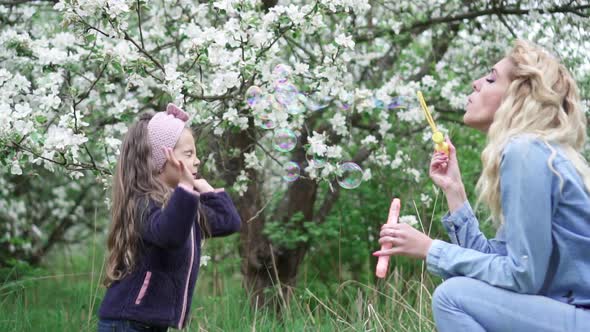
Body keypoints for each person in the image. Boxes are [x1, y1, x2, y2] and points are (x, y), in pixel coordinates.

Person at [373, 40, 590, 331]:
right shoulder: (534, 154)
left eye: (490, 79)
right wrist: (454, 190)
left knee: (453, 297)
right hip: (566, 315)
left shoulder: (526, 152)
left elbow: (523, 277)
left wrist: (430, 248)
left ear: (519, 95)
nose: (476, 84)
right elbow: (496, 264)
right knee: (460, 291)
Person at [97, 104, 241, 331]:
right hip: (127, 321)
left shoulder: (182, 207)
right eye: (189, 154)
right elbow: (169, 235)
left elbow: (229, 222)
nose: (197, 161)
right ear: (162, 158)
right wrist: (185, 187)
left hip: (150, 323)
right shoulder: (142, 203)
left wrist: (208, 190)